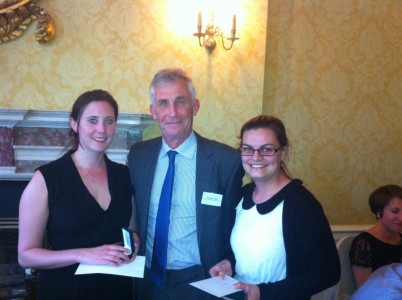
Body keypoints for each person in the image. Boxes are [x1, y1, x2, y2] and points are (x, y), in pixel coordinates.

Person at [127, 68, 244, 299]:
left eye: (181, 101)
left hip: (201, 281)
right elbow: (130, 207)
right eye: (163, 103)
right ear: (153, 111)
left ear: (195, 107)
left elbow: (235, 223)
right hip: (148, 279)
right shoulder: (138, 156)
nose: (172, 112)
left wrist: (229, 261)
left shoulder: (226, 160)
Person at [18, 90, 139, 300]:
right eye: (92, 120)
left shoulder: (124, 174)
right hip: (66, 290)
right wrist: (83, 254)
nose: (101, 129)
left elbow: (130, 227)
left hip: (117, 289)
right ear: (74, 124)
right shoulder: (46, 179)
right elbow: (26, 256)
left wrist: (134, 240)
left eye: (109, 121)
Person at [209, 115, 340, 300]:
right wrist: (228, 264)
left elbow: (328, 273)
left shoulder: (302, 205)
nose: (256, 157)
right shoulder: (241, 195)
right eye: (247, 149)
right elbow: (244, 252)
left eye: (267, 149)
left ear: (283, 151)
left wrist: (261, 292)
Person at [349, 184, 402, 288]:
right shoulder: (364, 243)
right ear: (379, 212)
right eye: (395, 211)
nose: (401, 218)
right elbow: (364, 290)